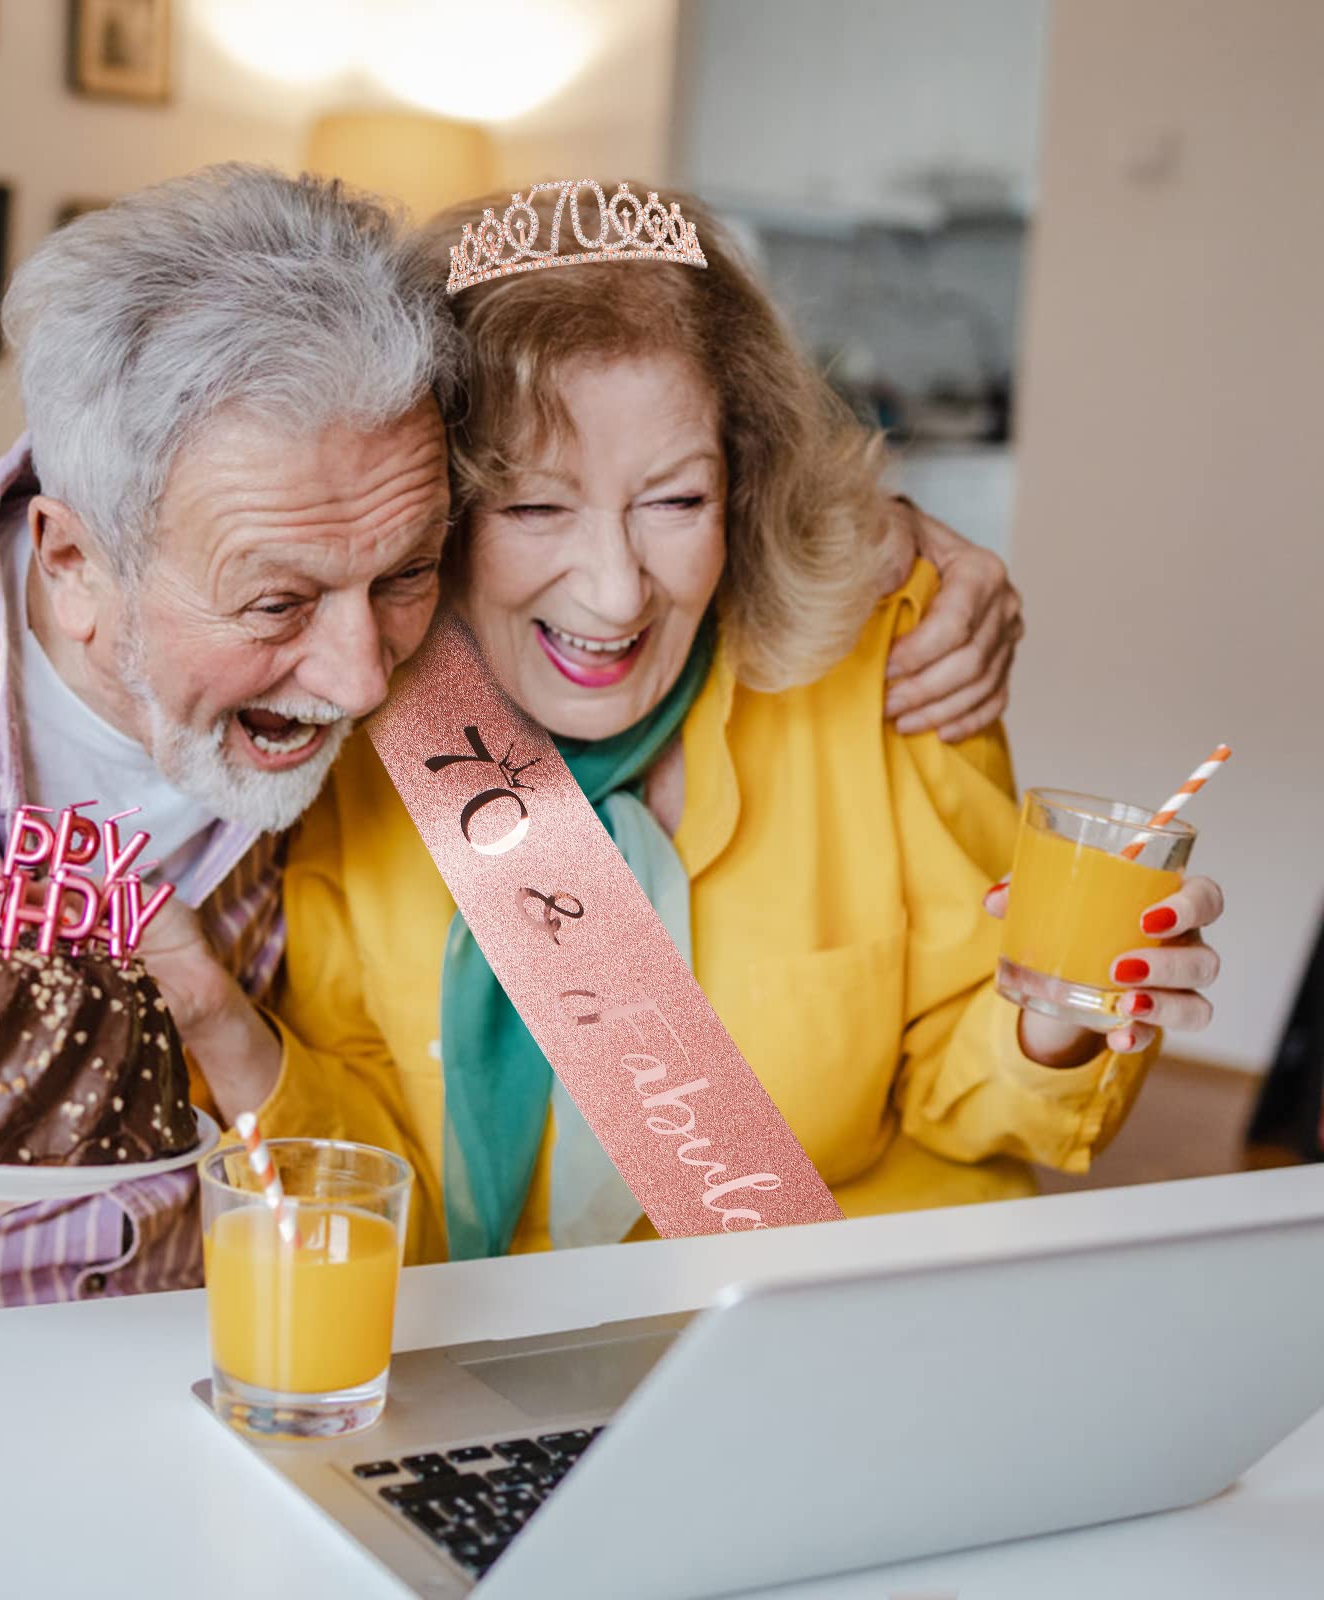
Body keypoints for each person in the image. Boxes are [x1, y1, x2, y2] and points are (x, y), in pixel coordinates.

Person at [0, 166, 1012, 1331]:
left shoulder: (433, 654)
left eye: (405, 572)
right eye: (278, 602)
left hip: (262, 1370)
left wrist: (895, 533)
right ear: (75, 560)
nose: (358, 681)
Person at [251, 183, 1226, 1264]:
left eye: (675, 502)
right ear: (438, 507)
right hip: (521, 1362)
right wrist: (207, 1016)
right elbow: (364, 1159)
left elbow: (971, 1092)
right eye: (534, 507)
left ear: (743, 486)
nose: (617, 593)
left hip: (857, 1321)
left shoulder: (887, 663)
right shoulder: (367, 718)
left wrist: (1056, 1018)